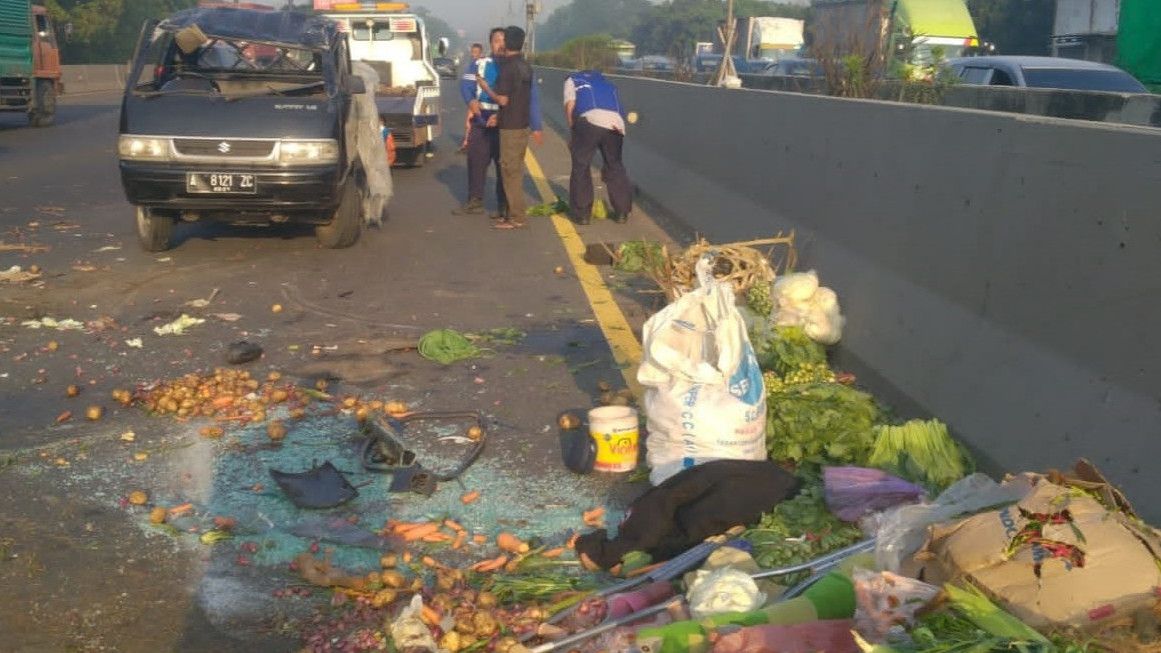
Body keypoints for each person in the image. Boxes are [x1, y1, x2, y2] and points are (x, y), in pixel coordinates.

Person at [479, 26, 542, 230]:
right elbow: (520, 98)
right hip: (521, 124)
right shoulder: (525, 66)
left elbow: (504, 100)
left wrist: (486, 87)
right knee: (514, 170)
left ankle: (517, 217)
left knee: (510, 173)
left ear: (507, 43)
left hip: (511, 128)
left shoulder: (508, 68)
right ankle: (511, 214)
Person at [564, 68, 632, 225]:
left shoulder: (572, 80)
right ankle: (622, 212)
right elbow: (619, 111)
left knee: (581, 165)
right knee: (615, 165)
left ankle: (582, 214)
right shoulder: (608, 85)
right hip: (615, 124)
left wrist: (573, 133)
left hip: (590, 120)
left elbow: (570, 106)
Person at [453, 30, 505, 216]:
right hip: (480, 120)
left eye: (504, 40)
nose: (501, 44)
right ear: (490, 44)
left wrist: (535, 125)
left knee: (504, 166)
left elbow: (525, 97)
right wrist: (471, 102)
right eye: (497, 40)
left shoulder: (513, 67)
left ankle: (504, 206)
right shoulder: (479, 64)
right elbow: (465, 85)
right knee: (476, 161)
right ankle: (475, 201)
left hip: (505, 123)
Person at [457, 42, 484, 153]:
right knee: (470, 121)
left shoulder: (481, 65)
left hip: (480, 99)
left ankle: (469, 143)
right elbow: (466, 82)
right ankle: (468, 143)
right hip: (473, 99)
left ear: (480, 53)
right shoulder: (470, 65)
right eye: (472, 52)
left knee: (473, 122)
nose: (474, 54)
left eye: (476, 52)